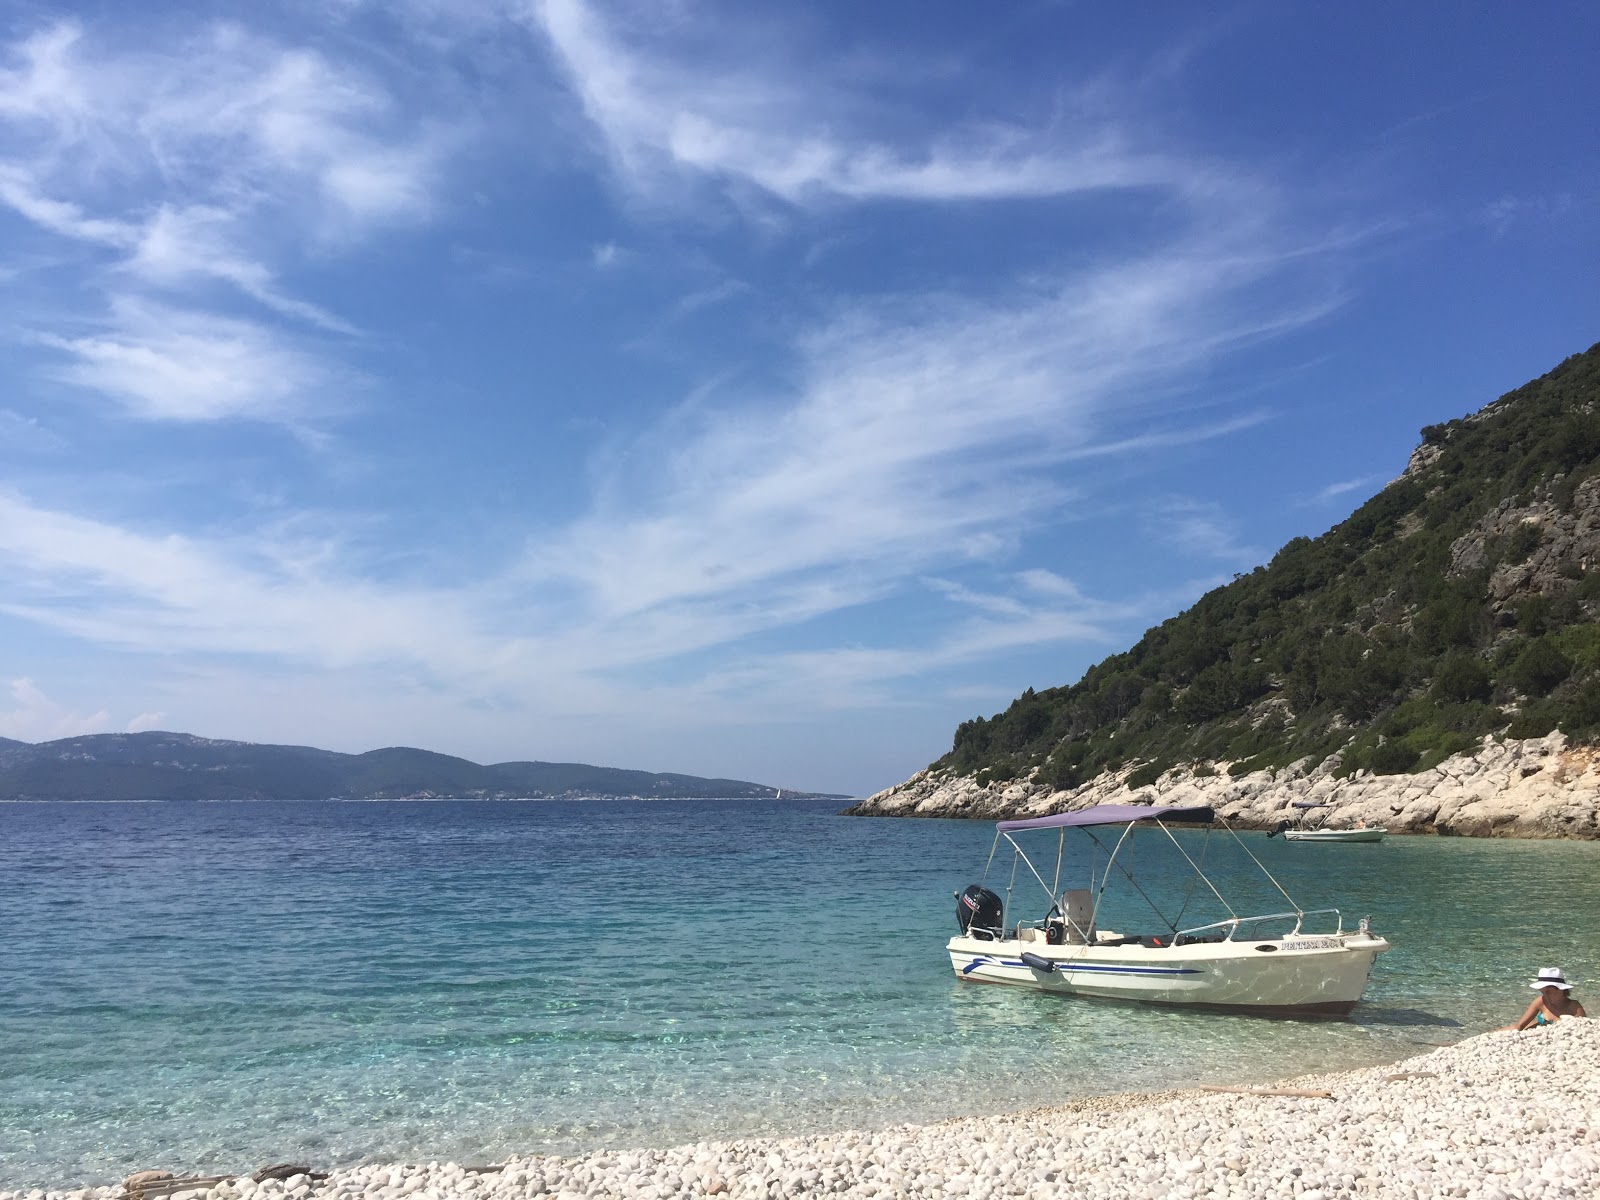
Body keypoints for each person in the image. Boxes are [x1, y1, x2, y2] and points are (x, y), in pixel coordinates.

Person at [1504, 967, 1586, 1030]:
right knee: (1497, 1032)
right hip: (1535, 1034)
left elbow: (1582, 1029)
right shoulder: (1541, 1001)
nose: (1546, 996)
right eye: (1543, 992)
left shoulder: (1574, 1007)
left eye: (1549, 992)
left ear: (1561, 990)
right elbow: (1520, 1026)